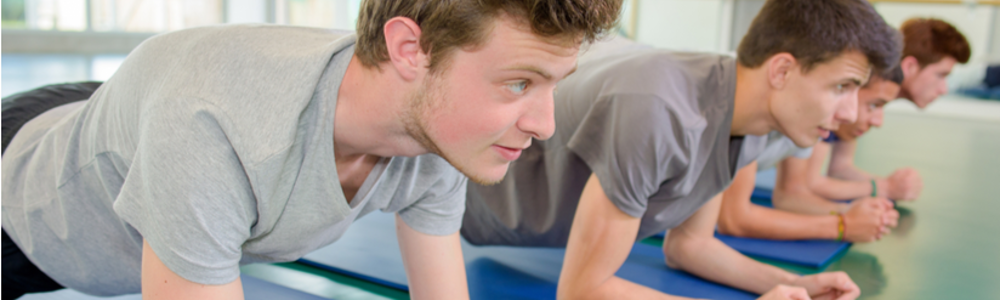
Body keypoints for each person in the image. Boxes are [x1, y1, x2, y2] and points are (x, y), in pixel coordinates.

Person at [0, 1, 622, 299]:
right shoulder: (212, 124)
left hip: (112, 110)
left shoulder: (442, 128)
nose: (544, 124)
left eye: (552, 85)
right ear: (410, 51)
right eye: (519, 83)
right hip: (24, 194)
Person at [459, 0, 900, 299]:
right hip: (468, 198)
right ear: (782, 70)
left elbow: (690, 245)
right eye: (843, 87)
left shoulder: (751, 118)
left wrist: (795, 284)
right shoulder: (660, 110)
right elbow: (582, 290)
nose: (850, 111)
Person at [717, 18, 971, 241]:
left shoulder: (824, 117)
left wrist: (860, 214)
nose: (944, 88)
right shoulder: (762, 112)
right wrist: (850, 217)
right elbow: (734, 218)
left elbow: (795, 191)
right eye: (941, 75)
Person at [718, 70, 905, 242]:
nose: (878, 121)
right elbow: (734, 218)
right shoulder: (753, 110)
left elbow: (790, 195)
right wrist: (843, 225)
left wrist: (850, 212)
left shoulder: (808, 125)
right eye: (873, 105)